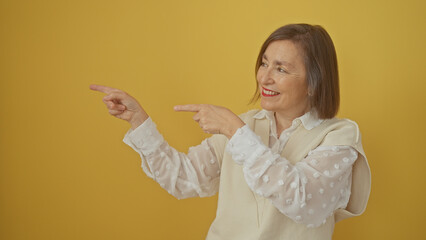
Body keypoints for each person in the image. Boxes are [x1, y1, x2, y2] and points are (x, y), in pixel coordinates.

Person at [90, 23, 371, 240]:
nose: (265, 77)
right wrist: (139, 121)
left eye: (281, 69)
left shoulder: (339, 135)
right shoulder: (245, 126)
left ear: (314, 83)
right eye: (264, 63)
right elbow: (183, 178)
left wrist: (234, 131)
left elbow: (304, 201)